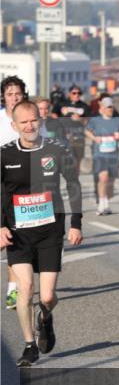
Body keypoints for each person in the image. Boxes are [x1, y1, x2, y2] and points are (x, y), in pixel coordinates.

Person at [1, 100, 84, 366]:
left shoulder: (56, 150)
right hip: (18, 233)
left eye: (33, 120)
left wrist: (76, 223)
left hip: (50, 231)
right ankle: (29, 346)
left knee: (47, 296)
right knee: (25, 288)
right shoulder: (4, 155)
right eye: (23, 122)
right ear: (14, 126)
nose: (29, 126)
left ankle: (45, 318)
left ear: (41, 120)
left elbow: (73, 184)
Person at [1, 76, 28, 311]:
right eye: (9, 94)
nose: (14, 98)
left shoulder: (31, 120)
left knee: (13, 239)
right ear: (3, 97)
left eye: (17, 93)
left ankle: (13, 289)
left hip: (18, 191)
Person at [85, 97, 119, 216]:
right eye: (108, 107)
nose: (110, 109)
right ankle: (101, 205)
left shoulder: (118, 121)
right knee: (103, 178)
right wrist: (95, 138)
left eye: (111, 107)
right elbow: (87, 131)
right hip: (99, 154)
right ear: (102, 108)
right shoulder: (96, 120)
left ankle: (106, 202)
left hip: (113, 155)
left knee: (110, 181)